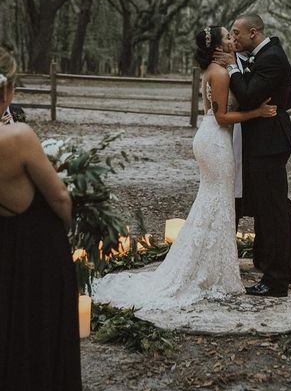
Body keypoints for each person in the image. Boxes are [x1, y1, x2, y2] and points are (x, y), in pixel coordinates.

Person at [93, 26, 276, 310]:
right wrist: (257, 112)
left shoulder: (218, 69)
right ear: (216, 46)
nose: (232, 40)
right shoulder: (217, 73)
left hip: (213, 138)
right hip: (215, 140)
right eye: (227, 37)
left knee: (216, 200)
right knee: (216, 199)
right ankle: (204, 270)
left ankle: (213, 266)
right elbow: (222, 116)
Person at [0, 47, 83, 391]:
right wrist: (67, 229)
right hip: (36, 251)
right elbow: (60, 197)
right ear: (7, 91)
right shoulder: (17, 137)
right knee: (39, 334)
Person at [216, 13, 291, 298]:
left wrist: (232, 69)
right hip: (262, 142)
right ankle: (288, 268)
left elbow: (251, 94)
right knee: (275, 208)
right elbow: (289, 91)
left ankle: (277, 280)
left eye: (237, 34)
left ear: (252, 33)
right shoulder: (263, 54)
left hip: (269, 144)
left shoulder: (271, 56)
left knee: (273, 211)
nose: (234, 39)